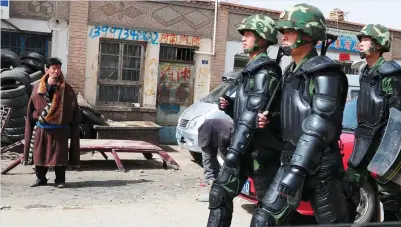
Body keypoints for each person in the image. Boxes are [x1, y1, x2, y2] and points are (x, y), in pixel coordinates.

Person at [253, 3, 350, 225]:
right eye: (283, 31)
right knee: (264, 220)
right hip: (290, 160)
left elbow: (320, 125)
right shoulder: (291, 71)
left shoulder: (325, 73)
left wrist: (296, 170)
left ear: (308, 34)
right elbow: (295, 116)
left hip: (320, 168)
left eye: (289, 31)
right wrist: (271, 121)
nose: (283, 36)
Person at [206, 14, 283, 227]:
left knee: (267, 214)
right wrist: (230, 107)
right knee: (219, 194)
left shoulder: (265, 72)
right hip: (244, 148)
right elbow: (244, 113)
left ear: (262, 39)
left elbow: (252, 116)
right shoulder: (249, 71)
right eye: (245, 35)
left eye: (249, 35)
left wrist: (233, 153)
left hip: (262, 153)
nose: (244, 38)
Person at [345, 24, 401, 219]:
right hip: (364, 142)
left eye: (365, 40)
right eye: (360, 40)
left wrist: (391, 155)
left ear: (378, 44)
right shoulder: (365, 73)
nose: (360, 44)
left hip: (385, 147)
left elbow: (397, 118)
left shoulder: (389, 73)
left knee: (390, 198)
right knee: (351, 188)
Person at [23, 57, 81, 188]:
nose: (56, 71)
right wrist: (34, 118)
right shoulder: (38, 87)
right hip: (42, 127)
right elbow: (31, 107)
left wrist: (70, 121)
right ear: (46, 69)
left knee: (59, 156)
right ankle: (40, 179)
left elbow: (72, 108)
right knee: (40, 154)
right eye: (53, 68)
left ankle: (60, 180)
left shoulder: (67, 89)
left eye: (59, 68)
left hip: (60, 129)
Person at [196, 118, 234, 202]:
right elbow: (223, 150)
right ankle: (209, 177)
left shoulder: (231, 131)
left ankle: (217, 175)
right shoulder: (226, 135)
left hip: (214, 132)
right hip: (205, 133)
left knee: (215, 157)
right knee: (207, 157)